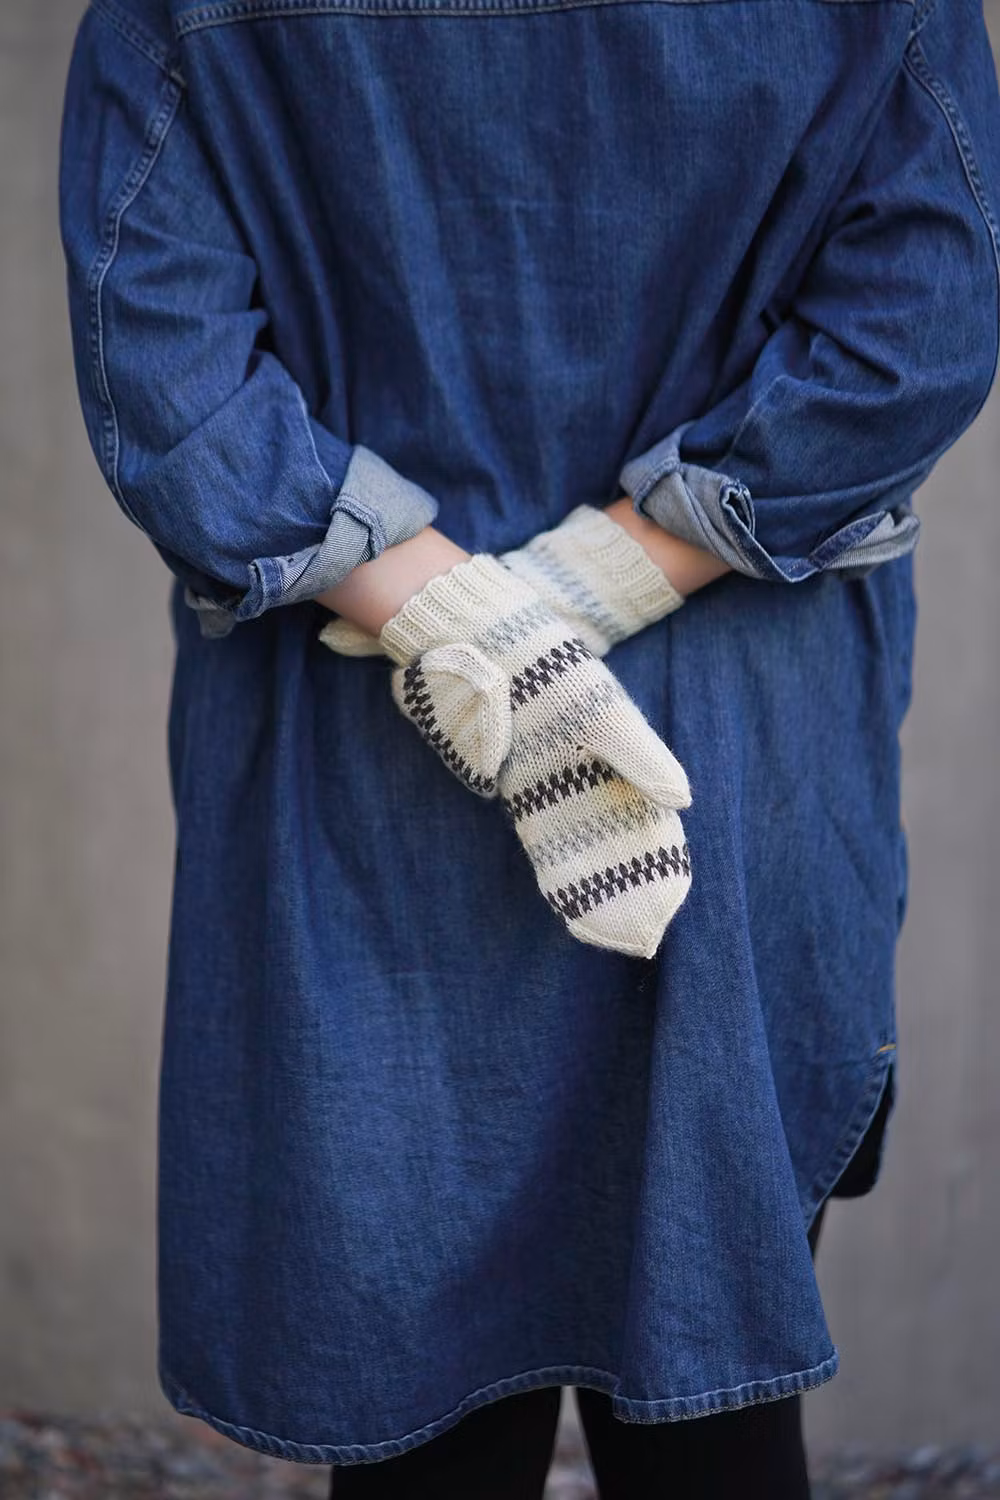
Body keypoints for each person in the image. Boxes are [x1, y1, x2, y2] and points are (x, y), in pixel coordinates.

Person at [58, 0, 1000, 1494]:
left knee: (423, 1419)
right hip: (734, 738)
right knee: (707, 1406)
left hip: (361, 742)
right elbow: (915, 329)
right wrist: (586, 590)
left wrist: (483, 615)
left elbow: (165, 363)